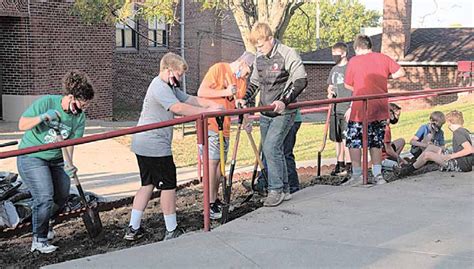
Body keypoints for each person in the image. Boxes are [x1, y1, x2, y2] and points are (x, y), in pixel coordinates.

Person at [124, 52, 223, 241]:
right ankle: (171, 230)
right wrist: (206, 112)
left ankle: (133, 228)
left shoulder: (168, 86)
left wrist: (213, 104)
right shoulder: (159, 87)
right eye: (179, 74)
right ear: (169, 71)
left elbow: (188, 99)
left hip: (143, 143)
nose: (180, 78)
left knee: (147, 184)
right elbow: (178, 108)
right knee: (168, 185)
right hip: (154, 145)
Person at [17, 70, 95, 253]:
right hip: (32, 156)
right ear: (70, 97)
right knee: (44, 197)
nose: (82, 110)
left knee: (61, 196)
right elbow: (22, 124)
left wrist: (69, 163)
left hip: (57, 159)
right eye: (80, 105)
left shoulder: (79, 118)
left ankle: (46, 222)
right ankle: (39, 240)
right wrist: (43, 117)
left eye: (86, 107)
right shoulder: (47, 103)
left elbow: (70, 143)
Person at [237, 22, 307, 207]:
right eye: (256, 46)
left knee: (271, 147)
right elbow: (254, 83)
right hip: (265, 111)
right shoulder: (260, 58)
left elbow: (301, 80)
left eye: (261, 44)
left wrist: (284, 101)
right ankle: (284, 189)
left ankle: (275, 190)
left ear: (270, 38)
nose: (259, 49)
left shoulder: (287, 53)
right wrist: (244, 98)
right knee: (272, 151)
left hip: (284, 110)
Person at [197, 51, 255, 220]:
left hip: (226, 127)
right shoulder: (218, 69)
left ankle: (214, 200)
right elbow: (201, 92)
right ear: (242, 63)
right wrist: (225, 91)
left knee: (220, 166)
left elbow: (239, 103)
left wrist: (246, 119)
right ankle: (209, 203)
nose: (246, 76)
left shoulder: (242, 82)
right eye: (247, 71)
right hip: (212, 124)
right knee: (213, 163)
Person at [342, 34, 405, 186]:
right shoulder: (382, 58)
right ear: (370, 46)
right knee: (376, 142)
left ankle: (357, 175)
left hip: (360, 108)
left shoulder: (354, 61)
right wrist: (383, 79)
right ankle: (378, 175)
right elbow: (400, 72)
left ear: (357, 48)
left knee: (354, 141)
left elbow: (348, 85)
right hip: (380, 106)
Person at [396, 110, 473, 176]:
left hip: (460, 164)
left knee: (427, 155)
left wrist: (450, 156)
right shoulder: (464, 131)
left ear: (450, 123)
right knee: (431, 148)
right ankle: (413, 164)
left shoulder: (457, 133)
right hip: (463, 161)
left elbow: (470, 150)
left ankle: (407, 171)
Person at [327, 42, 352, 176]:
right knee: (336, 138)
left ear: (343, 53)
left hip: (346, 107)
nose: (334, 56)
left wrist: (351, 106)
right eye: (333, 54)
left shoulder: (350, 68)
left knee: (345, 138)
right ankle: (339, 163)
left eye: (336, 54)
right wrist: (330, 92)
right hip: (335, 109)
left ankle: (349, 164)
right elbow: (330, 86)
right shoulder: (334, 69)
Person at [381, 103, 408, 170]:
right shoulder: (386, 128)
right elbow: (388, 150)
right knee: (400, 167)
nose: (397, 118)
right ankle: (393, 161)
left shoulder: (381, 124)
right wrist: (400, 159)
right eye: (397, 115)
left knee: (401, 141)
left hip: (380, 154)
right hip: (382, 159)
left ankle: (394, 159)